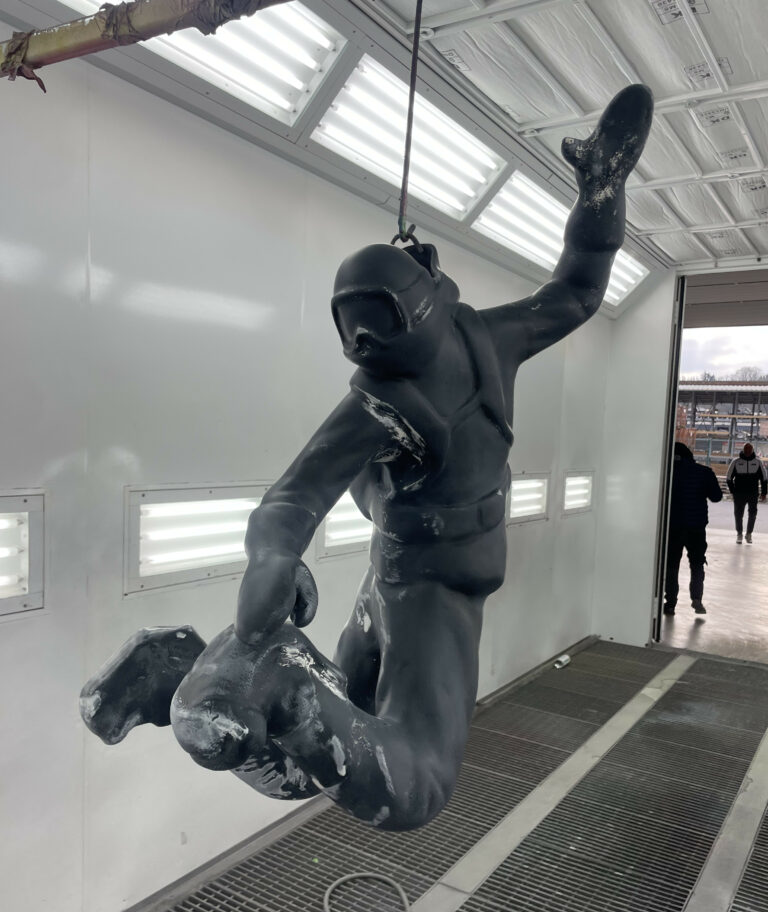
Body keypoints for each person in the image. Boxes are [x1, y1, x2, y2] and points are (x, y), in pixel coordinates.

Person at [81, 85, 654, 830]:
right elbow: (293, 498)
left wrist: (602, 189)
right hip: (430, 591)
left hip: (402, 574)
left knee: (329, 741)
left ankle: (185, 669)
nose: (360, 346)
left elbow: (576, 291)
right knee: (414, 787)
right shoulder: (439, 365)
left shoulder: (458, 355)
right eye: (351, 334)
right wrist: (602, 189)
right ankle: (269, 675)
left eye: (369, 329)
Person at [664, 441, 722, 617]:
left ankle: (670, 603)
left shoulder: (666, 472)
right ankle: (697, 599)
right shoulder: (703, 472)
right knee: (697, 564)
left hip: (673, 527)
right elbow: (716, 497)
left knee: (671, 566)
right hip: (696, 528)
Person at [726, 442, 767, 544]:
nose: (748, 451)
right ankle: (739, 534)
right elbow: (729, 477)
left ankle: (749, 534)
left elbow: (764, 479)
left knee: (752, 514)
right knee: (738, 515)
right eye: (746, 449)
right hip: (739, 494)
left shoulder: (758, 462)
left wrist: (764, 493)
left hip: (753, 493)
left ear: (752, 450)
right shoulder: (736, 462)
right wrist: (733, 491)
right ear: (743, 450)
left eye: (749, 449)